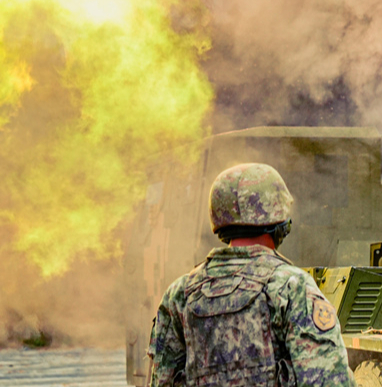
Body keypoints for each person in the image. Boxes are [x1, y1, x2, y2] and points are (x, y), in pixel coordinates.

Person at [147, 163, 354, 386]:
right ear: (280, 222)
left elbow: (162, 381)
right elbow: (330, 380)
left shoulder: (180, 294)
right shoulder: (291, 288)